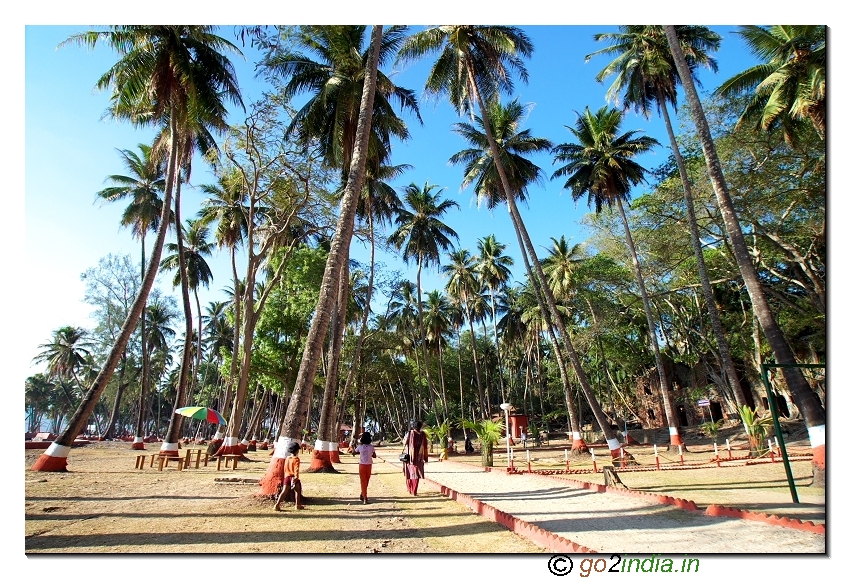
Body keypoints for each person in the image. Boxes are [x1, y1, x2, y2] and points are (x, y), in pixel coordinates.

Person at [274, 442, 305, 510]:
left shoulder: (287, 458)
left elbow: (285, 467)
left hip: (287, 477)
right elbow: (296, 469)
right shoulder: (296, 459)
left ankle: (277, 504)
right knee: (298, 491)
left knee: (284, 491)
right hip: (293, 477)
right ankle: (297, 505)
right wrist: (296, 477)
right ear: (297, 451)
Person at [402, 421, 428, 496]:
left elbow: (404, 442)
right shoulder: (423, 434)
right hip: (419, 456)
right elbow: (425, 445)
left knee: (409, 473)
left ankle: (410, 489)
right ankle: (414, 490)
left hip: (410, 456)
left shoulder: (410, 433)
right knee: (416, 474)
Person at [353, 431, 377, 504]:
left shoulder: (360, 446)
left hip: (362, 465)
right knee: (366, 481)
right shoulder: (371, 447)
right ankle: (363, 495)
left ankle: (364, 496)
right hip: (369, 465)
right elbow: (374, 456)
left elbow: (353, 452)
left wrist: (355, 449)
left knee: (363, 481)